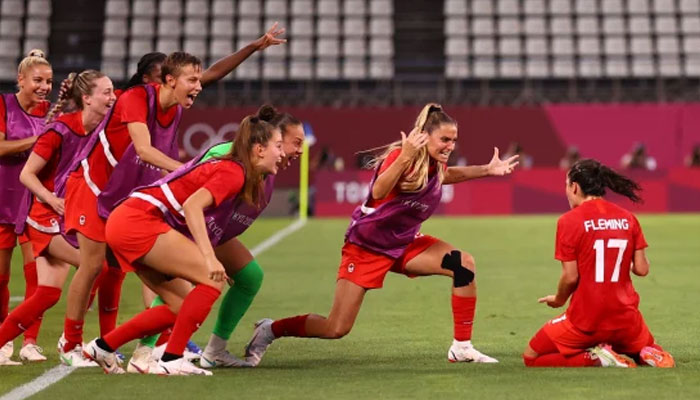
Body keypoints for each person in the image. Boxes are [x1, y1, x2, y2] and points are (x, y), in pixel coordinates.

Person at [243, 103, 519, 367]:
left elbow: (447, 175)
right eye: (445, 139)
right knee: (336, 328)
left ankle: (461, 348)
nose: (451, 146)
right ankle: (270, 330)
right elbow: (379, 191)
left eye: (454, 140)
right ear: (425, 136)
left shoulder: (434, 164)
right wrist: (406, 156)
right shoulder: (402, 156)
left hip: (405, 243)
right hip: (367, 247)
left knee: (463, 265)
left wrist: (486, 170)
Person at [83, 114, 284, 375]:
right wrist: (209, 257)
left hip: (129, 219)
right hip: (139, 220)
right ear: (259, 149)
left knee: (179, 304)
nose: (281, 153)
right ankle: (171, 358)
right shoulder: (235, 171)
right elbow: (192, 207)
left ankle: (103, 346)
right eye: (278, 146)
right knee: (212, 278)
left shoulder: (237, 171)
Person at [123, 105, 304, 373]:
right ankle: (144, 351)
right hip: (183, 225)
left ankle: (215, 352)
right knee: (183, 285)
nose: (300, 150)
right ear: (270, 140)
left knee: (249, 276)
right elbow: (190, 194)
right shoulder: (229, 156)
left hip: (213, 231)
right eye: (294, 143)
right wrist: (205, 254)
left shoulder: (267, 169)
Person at [0, 71, 116, 366]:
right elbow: (27, 174)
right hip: (41, 215)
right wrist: (51, 198)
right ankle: (70, 341)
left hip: (66, 215)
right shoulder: (60, 130)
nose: (113, 97)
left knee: (48, 294)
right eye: (107, 91)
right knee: (95, 265)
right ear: (87, 99)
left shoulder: (101, 130)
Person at [522, 159, 674, 368]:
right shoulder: (628, 218)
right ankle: (647, 354)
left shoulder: (569, 221)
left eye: (566, 186)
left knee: (532, 357)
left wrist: (558, 299)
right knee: (644, 345)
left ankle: (597, 358)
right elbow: (642, 269)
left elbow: (570, 276)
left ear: (574, 186)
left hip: (586, 321)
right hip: (626, 320)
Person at [0, 50, 52, 362]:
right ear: (21, 80)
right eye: (38, 80)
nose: (44, 86)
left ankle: (30, 341)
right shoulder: (4, 105)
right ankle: (4, 341)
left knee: (38, 279)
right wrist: (38, 142)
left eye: (48, 81)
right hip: (4, 201)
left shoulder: (52, 113)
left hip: (35, 205)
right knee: (1, 279)